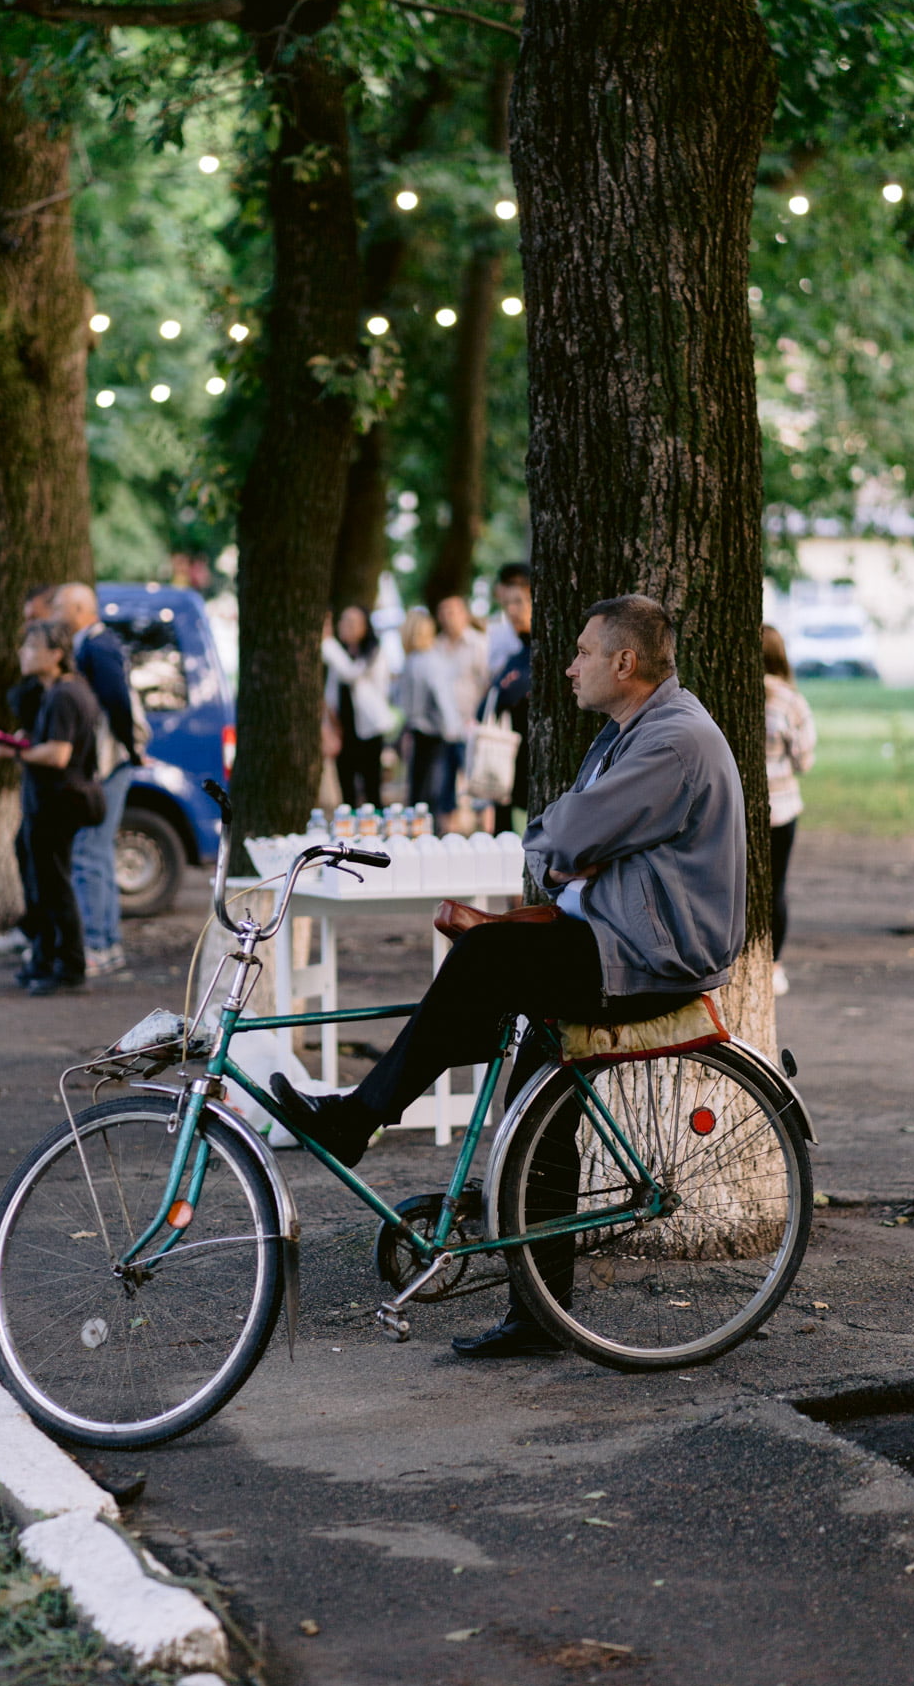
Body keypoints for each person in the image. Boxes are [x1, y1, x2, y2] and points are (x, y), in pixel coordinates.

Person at [273, 594, 746, 1359]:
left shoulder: (673, 741)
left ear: (625, 663)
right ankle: (540, 1315)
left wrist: (572, 845)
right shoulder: (633, 732)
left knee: (484, 960)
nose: (569, 666)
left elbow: (563, 833)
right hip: (614, 936)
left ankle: (356, 1120)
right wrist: (571, 844)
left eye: (585, 652)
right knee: (533, 1113)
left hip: (650, 955)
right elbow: (566, 834)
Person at [0, 620, 99, 995]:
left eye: (33, 648)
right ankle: (46, 958)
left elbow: (58, 753)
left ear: (56, 655)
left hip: (58, 801)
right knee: (45, 883)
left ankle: (68, 966)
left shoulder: (66, 694)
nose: (23, 653)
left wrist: (13, 751)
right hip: (50, 800)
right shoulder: (58, 692)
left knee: (54, 885)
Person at [52, 583, 142, 977]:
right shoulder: (97, 642)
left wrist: (130, 747)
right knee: (98, 851)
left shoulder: (98, 645)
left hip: (107, 763)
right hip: (113, 760)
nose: (54, 612)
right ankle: (108, 944)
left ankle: (98, 945)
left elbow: (117, 701)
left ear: (78, 608)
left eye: (59, 606)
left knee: (90, 851)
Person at [0, 585, 60, 960]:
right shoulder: (49, 691)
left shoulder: (64, 691)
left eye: (34, 618)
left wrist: (24, 750)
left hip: (57, 790)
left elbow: (61, 752)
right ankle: (42, 940)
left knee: (50, 868)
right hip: (41, 783)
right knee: (32, 853)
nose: (25, 635)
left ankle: (54, 948)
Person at [763, 623, 816, 999]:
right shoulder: (790, 700)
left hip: (736, 812)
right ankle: (774, 965)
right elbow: (804, 759)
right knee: (775, 887)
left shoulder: (734, 694)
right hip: (780, 808)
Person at [324, 605, 394, 809]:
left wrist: (327, 642)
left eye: (352, 622)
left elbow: (350, 673)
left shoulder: (373, 653)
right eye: (343, 621)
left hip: (369, 731)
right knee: (347, 790)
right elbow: (331, 693)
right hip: (344, 730)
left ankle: (375, 835)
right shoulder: (341, 653)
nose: (345, 626)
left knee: (372, 787)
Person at [434, 596, 491, 824]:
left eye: (453, 612)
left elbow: (487, 683)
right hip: (444, 727)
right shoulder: (436, 646)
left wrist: (478, 717)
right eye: (444, 612)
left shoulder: (479, 644)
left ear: (464, 614)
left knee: (479, 788)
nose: (448, 618)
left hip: (472, 725)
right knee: (443, 788)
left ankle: (485, 833)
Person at [397, 610, 461, 809]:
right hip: (433, 732)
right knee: (428, 793)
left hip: (431, 734)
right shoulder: (430, 658)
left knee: (424, 793)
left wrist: (453, 729)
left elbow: (439, 697)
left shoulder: (419, 661)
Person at [485, 574, 532, 835]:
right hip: (505, 760)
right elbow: (488, 704)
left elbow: (508, 693)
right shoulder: (516, 656)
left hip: (527, 763)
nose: (512, 611)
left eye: (520, 602)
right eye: (508, 604)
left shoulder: (537, 655)